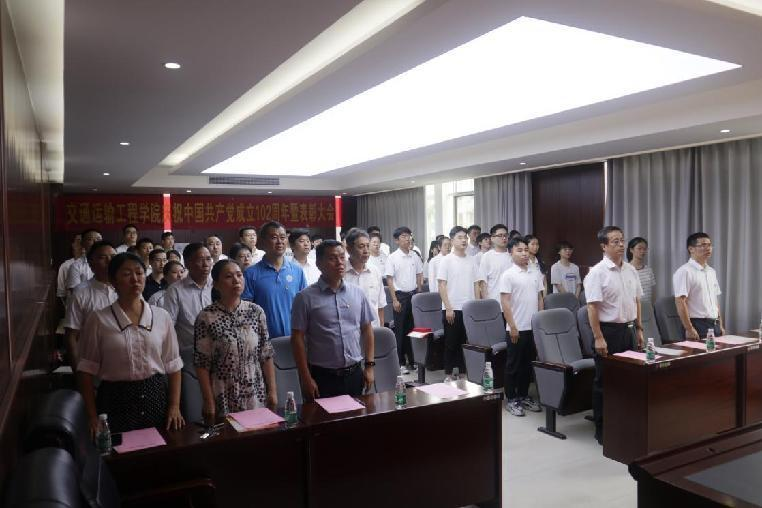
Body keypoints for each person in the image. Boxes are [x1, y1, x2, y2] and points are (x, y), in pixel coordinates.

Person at [77, 252, 184, 434]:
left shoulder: (162, 316)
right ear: (113, 281)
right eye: (127, 274)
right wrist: (92, 417)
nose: (135, 279)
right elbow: (86, 371)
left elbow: (173, 365)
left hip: (155, 397)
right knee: (119, 450)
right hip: (114, 400)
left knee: (161, 447)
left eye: (139, 273)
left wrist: (174, 406)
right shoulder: (98, 320)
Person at [291, 240, 376, 399]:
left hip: (354, 374)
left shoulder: (357, 293)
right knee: (322, 415)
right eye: (332, 258)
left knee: (357, 414)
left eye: (342, 257)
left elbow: (367, 329)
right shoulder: (304, 298)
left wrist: (369, 366)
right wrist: (305, 377)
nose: (339, 262)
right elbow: (297, 339)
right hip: (322, 377)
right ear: (319, 264)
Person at [194, 260, 277, 419]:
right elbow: (201, 363)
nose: (236, 280)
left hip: (255, 392)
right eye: (228, 276)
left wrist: (272, 391)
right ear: (216, 284)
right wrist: (208, 400)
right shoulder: (206, 317)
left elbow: (266, 354)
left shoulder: (256, 312)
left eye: (239, 275)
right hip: (223, 393)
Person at [584, 226, 644, 444]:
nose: (620, 245)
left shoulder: (630, 270)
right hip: (608, 332)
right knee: (606, 382)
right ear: (604, 246)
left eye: (622, 240)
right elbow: (592, 307)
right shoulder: (597, 272)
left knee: (629, 379)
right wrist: (598, 337)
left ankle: (625, 423)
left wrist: (639, 328)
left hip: (629, 329)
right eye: (615, 241)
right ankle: (603, 429)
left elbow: (637, 301)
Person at [500, 237, 544, 417]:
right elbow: (505, 303)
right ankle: (511, 399)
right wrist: (512, 326)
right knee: (513, 365)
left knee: (527, 365)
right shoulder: (508, 275)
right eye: (519, 250)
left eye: (526, 249)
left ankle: (524, 395)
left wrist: (540, 323)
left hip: (533, 327)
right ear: (510, 252)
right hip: (516, 327)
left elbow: (540, 298)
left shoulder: (535, 272)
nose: (524, 253)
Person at [242, 221, 307, 338]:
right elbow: (246, 311)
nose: (280, 242)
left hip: (295, 339)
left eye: (283, 237)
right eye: (274, 237)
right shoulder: (251, 274)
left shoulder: (297, 271)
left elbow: (305, 306)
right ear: (263, 241)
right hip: (265, 341)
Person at [63, 241, 117, 369]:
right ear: (91, 264)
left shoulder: (126, 288)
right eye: (103, 257)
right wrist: (78, 372)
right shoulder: (81, 292)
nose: (109, 261)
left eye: (113, 257)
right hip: (92, 364)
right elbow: (71, 336)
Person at [438, 226, 478, 376]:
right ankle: (448, 375)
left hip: (469, 309)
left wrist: (477, 305)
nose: (464, 240)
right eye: (460, 237)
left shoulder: (472, 260)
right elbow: (442, 285)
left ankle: (462, 374)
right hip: (452, 308)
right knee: (451, 343)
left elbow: (476, 284)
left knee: (465, 343)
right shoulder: (446, 260)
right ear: (452, 240)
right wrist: (448, 308)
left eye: (465, 237)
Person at [385, 226, 423, 374]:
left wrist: (419, 290)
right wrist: (394, 300)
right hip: (400, 296)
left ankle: (412, 361)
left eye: (409, 236)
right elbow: (389, 279)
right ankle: (400, 362)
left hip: (414, 296)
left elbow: (419, 274)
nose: (408, 239)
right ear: (396, 240)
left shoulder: (414, 256)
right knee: (400, 330)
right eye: (404, 236)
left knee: (413, 330)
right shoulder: (392, 257)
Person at [162, 243, 213, 351]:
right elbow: (168, 327)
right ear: (187, 263)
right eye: (200, 260)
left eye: (208, 259)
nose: (206, 264)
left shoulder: (218, 286)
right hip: (190, 353)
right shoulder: (175, 290)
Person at [673, 232, 724, 339]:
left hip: (714, 324)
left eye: (709, 245)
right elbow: (680, 301)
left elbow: (715, 301)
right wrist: (689, 328)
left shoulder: (711, 271)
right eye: (703, 245)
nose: (708, 248)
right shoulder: (685, 271)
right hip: (697, 324)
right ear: (691, 249)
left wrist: (720, 325)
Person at [344, 228, 386, 327]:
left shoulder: (375, 271)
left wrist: (381, 328)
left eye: (368, 246)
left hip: (374, 328)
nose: (366, 251)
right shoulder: (341, 273)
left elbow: (380, 306)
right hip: (349, 330)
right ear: (349, 249)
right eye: (361, 246)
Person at [476, 224, 512, 301]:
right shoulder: (487, 257)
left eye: (506, 235)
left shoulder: (513, 255)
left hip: (513, 302)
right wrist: (487, 302)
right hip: (495, 301)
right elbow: (483, 282)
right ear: (492, 238)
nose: (504, 238)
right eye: (500, 235)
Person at [627, 237, 656, 303]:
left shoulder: (648, 270)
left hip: (647, 306)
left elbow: (653, 292)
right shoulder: (625, 270)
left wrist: (652, 306)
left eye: (645, 249)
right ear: (631, 250)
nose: (643, 251)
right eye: (639, 248)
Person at [57, 233, 83, 302]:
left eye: (84, 241)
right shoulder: (65, 266)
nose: (82, 244)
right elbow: (61, 293)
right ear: (73, 244)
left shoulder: (93, 264)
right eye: (78, 241)